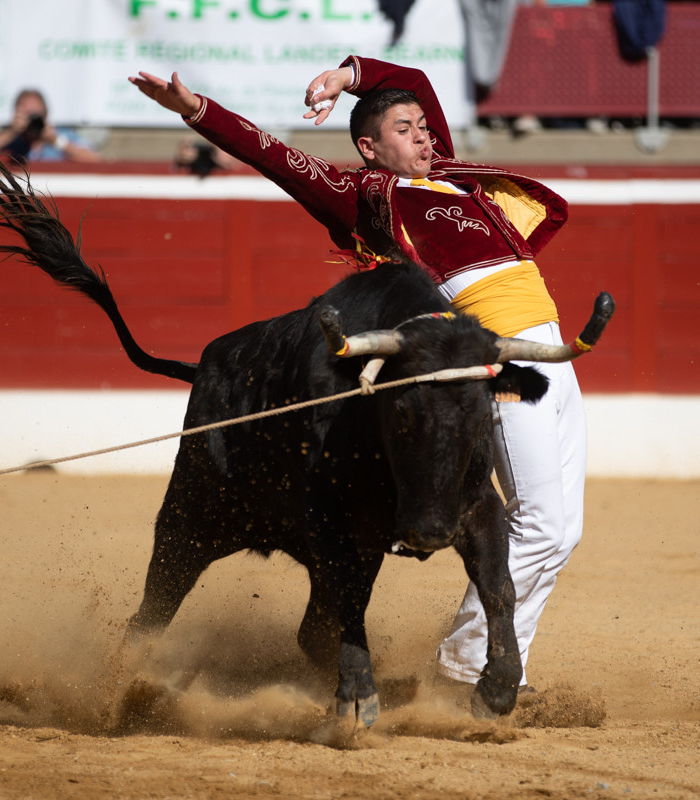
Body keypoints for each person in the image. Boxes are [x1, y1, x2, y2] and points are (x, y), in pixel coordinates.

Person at [130, 57, 586, 694]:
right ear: (370, 148)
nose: (426, 136)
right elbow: (277, 158)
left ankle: (484, 663)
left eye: (426, 127)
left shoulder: (450, 176)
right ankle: (466, 669)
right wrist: (195, 110)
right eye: (406, 129)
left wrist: (349, 73)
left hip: (551, 348)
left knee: (561, 532)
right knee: (536, 522)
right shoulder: (371, 198)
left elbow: (417, 85)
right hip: (483, 360)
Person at [0, 89, 99, 165]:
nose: (31, 121)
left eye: (35, 116)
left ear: (46, 114)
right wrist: (11, 132)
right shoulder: (8, 139)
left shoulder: (60, 136)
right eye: (26, 115)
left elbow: (93, 159)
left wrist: (55, 140)